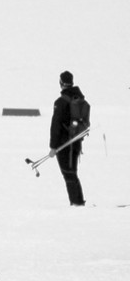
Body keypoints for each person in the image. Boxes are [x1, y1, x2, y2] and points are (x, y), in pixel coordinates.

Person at [49, 70, 90, 206]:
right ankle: (78, 201)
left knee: (68, 174)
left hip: (63, 144)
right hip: (76, 142)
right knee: (72, 173)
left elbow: (55, 126)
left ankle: (76, 203)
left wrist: (53, 147)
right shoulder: (80, 99)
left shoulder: (60, 102)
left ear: (61, 83)